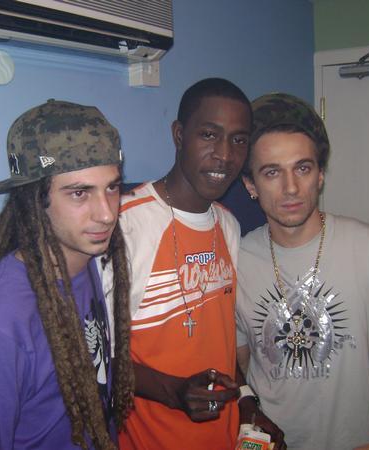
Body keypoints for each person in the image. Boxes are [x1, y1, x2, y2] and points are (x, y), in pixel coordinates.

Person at [236, 93, 369, 450]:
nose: (291, 187)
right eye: (272, 172)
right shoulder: (237, 259)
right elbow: (239, 358)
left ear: (321, 175)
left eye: (303, 168)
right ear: (251, 185)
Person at [0, 99, 134, 450]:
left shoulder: (85, 260)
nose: (107, 214)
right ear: (34, 198)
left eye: (112, 187)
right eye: (80, 193)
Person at [106, 78, 257, 449]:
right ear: (179, 135)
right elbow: (93, 356)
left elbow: (219, 341)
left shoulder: (228, 225)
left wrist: (247, 401)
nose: (225, 155)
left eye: (239, 140)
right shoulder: (123, 225)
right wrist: (171, 391)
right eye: (209, 135)